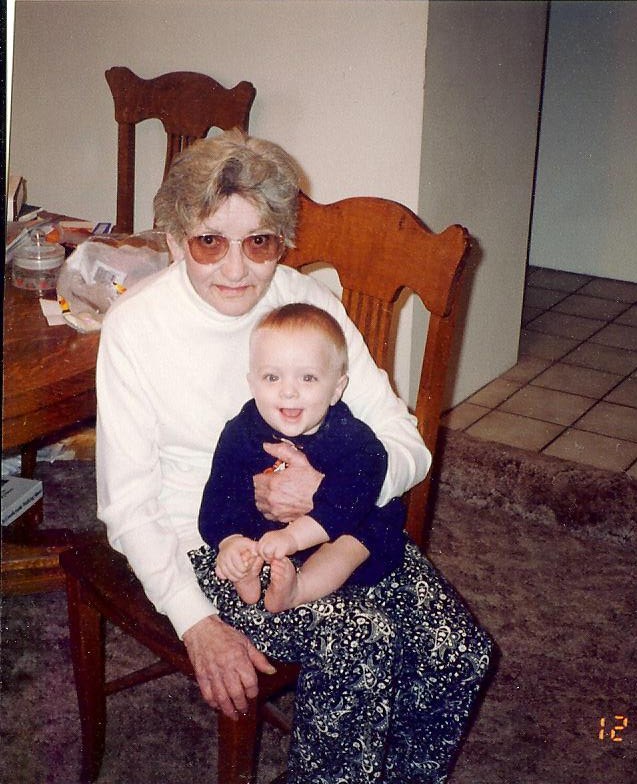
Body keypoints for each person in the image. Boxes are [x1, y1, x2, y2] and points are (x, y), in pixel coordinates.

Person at [96, 129, 491, 783]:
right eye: (209, 242)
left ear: (282, 240)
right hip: (215, 543)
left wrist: (331, 495)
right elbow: (128, 506)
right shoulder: (136, 329)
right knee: (362, 644)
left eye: (259, 242)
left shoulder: (306, 307)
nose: (235, 269)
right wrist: (196, 623)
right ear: (173, 239)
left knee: (460, 651)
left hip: (339, 523)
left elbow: (405, 444)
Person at [197, 302, 408, 613]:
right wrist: (229, 540)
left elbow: (348, 501)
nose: (289, 392)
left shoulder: (353, 440)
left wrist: (294, 538)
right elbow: (219, 492)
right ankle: (246, 568)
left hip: (336, 536)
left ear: (336, 389)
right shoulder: (241, 430)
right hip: (269, 536)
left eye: (307, 378)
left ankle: (300, 589)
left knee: (366, 528)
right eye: (272, 377)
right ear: (252, 384)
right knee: (233, 517)